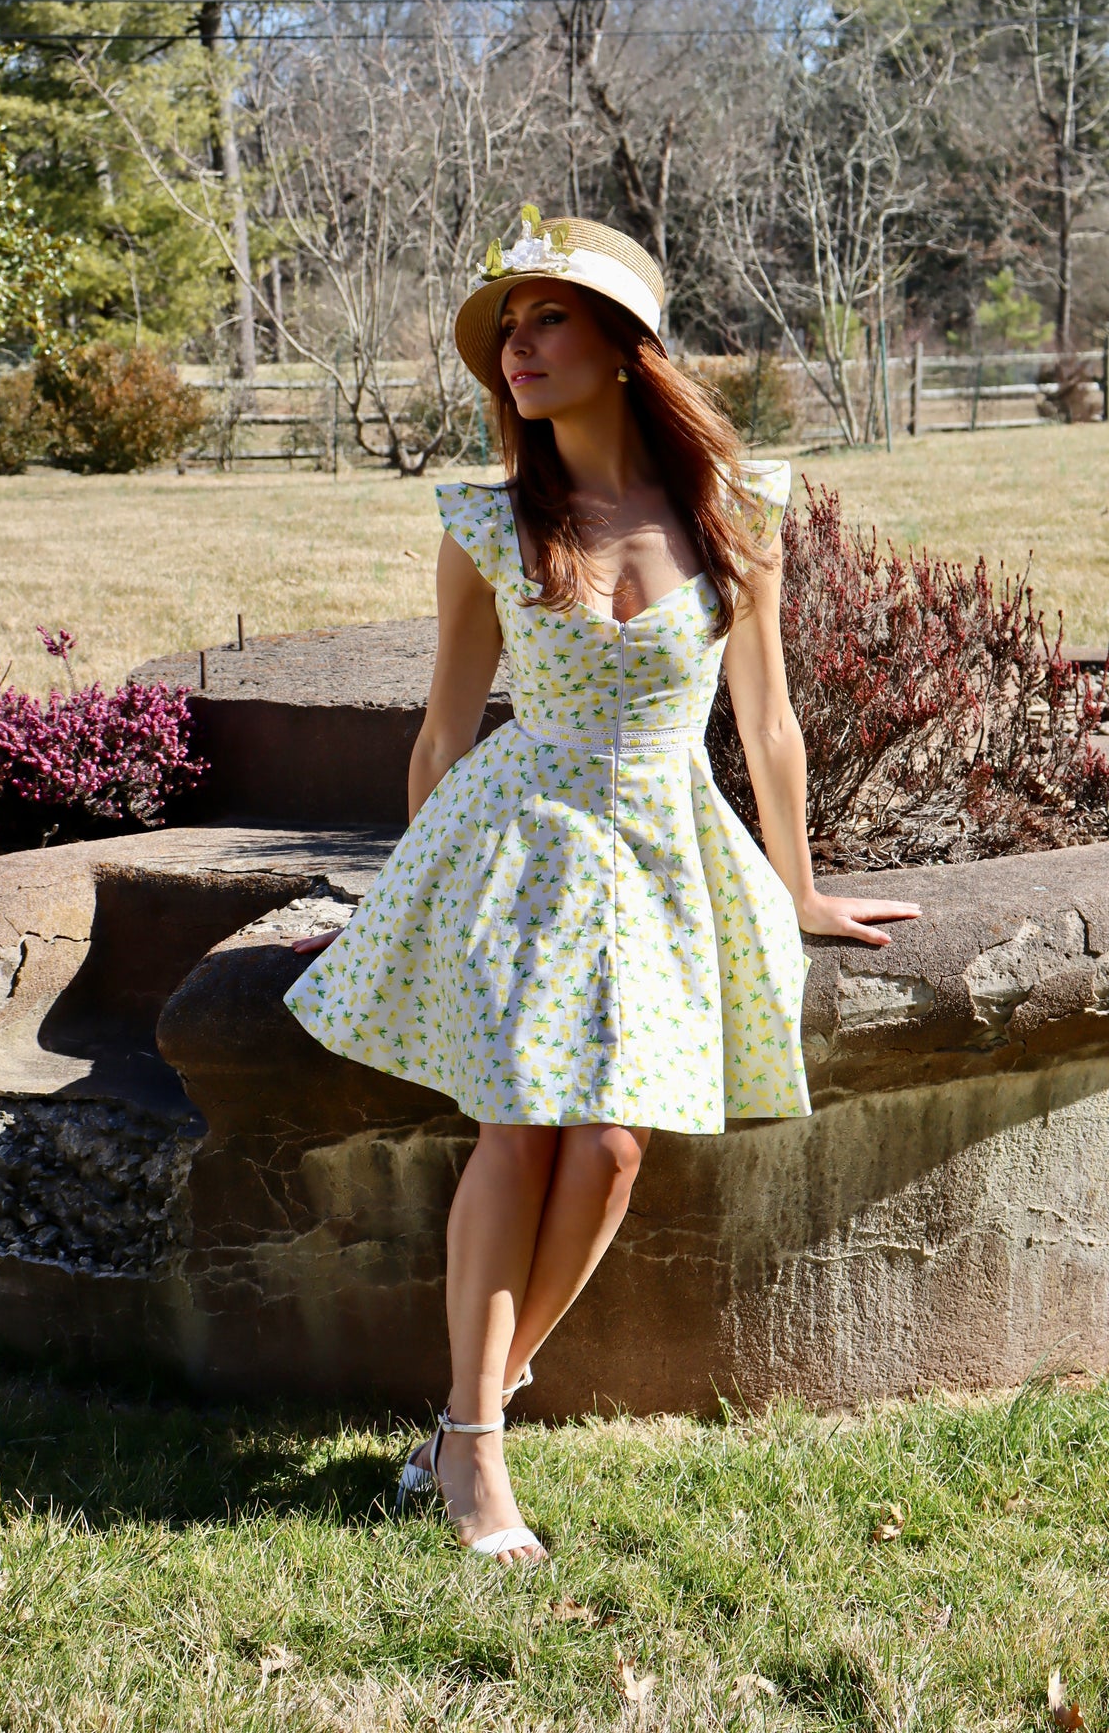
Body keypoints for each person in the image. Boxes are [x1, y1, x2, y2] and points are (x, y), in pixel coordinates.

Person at [283, 208, 920, 1565]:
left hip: (661, 853)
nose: (518, 350)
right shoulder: (486, 522)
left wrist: (801, 890)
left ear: (628, 349)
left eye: (548, 320)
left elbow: (769, 721)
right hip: (517, 851)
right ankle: (475, 1463)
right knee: (520, 1133)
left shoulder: (737, 513)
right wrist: (418, 897)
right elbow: (447, 731)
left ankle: (475, 1402)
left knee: (616, 1149)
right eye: (506, 330)